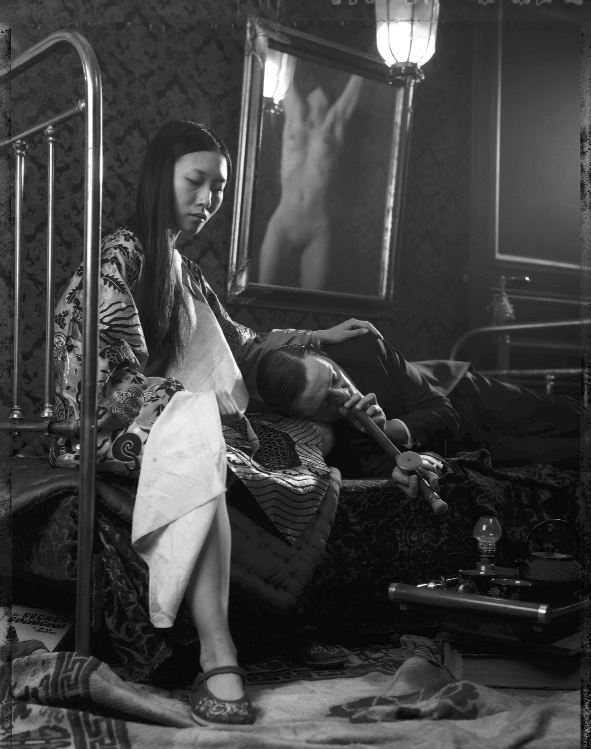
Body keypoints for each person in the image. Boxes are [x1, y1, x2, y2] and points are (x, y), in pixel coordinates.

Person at [50, 120, 382, 726]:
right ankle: (216, 649)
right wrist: (186, 401)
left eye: (219, 189)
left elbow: (240, 343)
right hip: (102, 425)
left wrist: (316, 338)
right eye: (196, 181)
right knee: (197, 428)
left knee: (311, 437)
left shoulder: (187, 269)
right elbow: (97, 378)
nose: (208, 199)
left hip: (169, 413)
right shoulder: (119, 255)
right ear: (161, 178)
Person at [256, 334, 581, 496]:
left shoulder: (364, 348)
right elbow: (389, 466)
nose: (344, 395)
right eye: (326, 403)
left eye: (334, 378)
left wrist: (390, 426)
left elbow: (445, 412)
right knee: (572, 453)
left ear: (325, 356)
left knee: (571, 416)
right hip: (467, 449)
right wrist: (390, 444)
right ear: (307, 416)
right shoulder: (326, 442)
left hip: (463, 393)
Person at [258, 74, 364, 290]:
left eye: (324, 93)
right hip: (283, 223)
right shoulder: (295, 120)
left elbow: (351, 94)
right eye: (314, 91)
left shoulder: (332, 127)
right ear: (307, 97)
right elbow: (284, 77)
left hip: (317, 228)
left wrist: (366, 66)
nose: (319, 94)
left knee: (313, 303)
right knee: (259, 293)